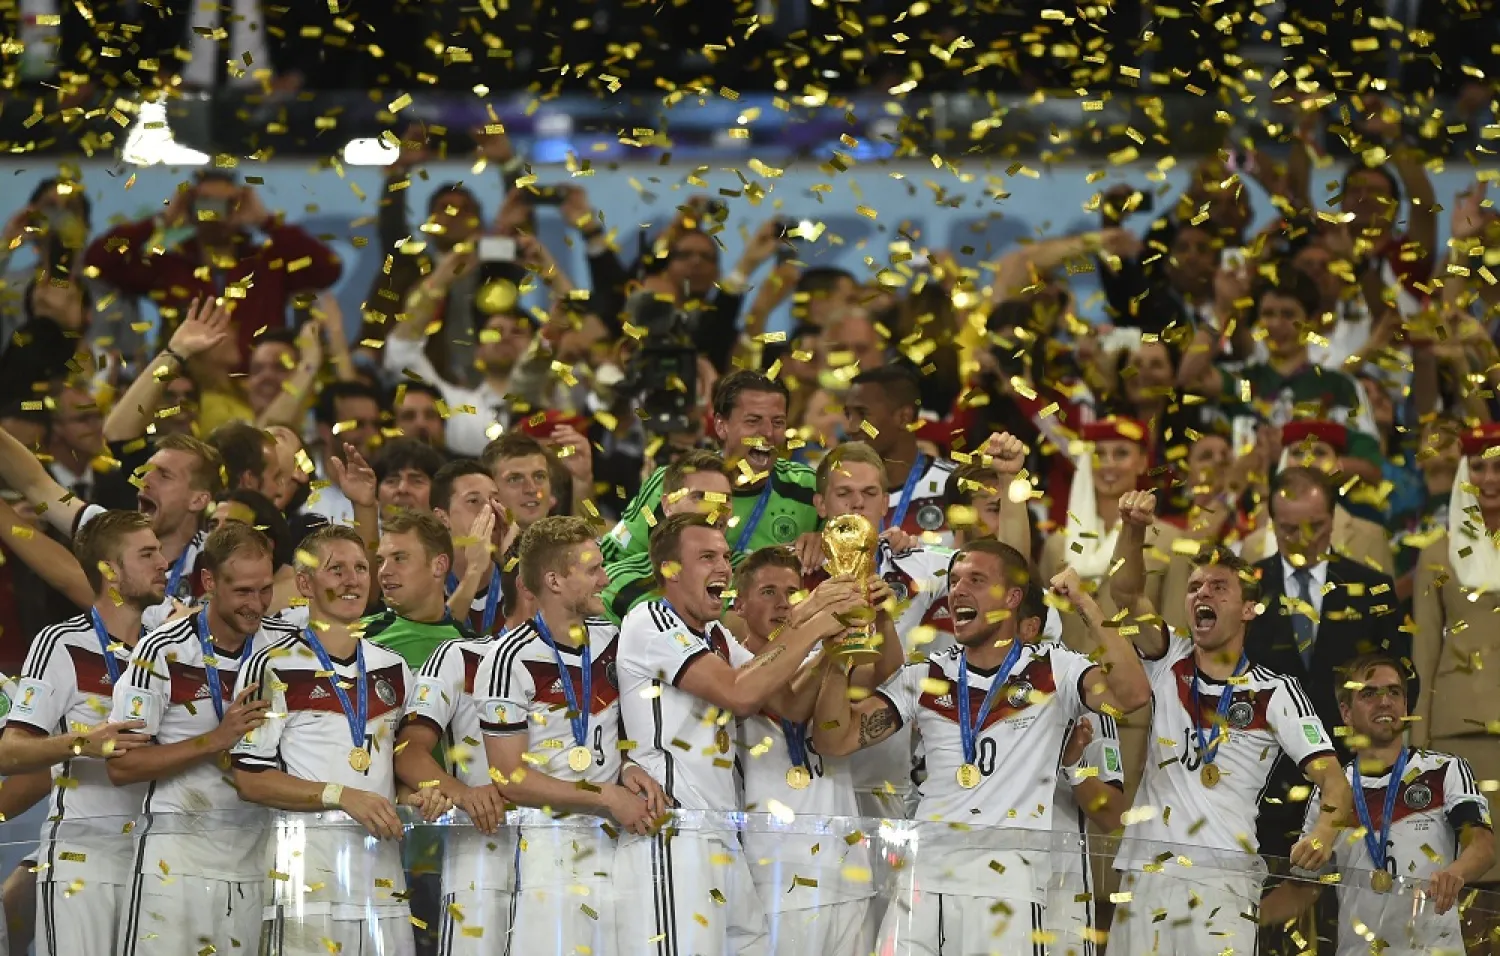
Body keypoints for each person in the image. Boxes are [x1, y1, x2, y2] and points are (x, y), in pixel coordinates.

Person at [810, 546, 1150, 954]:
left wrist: (1084, 603)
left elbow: (1132, 694)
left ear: (1011, 598)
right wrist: (836, 658)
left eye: (976, 580)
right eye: (954, 581)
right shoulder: (927, 674)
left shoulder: (1056, 668)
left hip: (1009, 887)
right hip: (924, 879)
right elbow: (834, 738)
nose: (957, 590)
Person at [1107, 490, 1352, 956]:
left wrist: (1321, 834)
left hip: (1223, 882)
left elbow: (1334, 783)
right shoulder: (1168, 657)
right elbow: (1124, 592)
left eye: (1220, 587)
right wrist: (1133, 529)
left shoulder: (1276, 692)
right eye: (1196, 586)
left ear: (1248, 609)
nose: (1204, 593)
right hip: (1145, 873)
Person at [613, 512, 865, 956]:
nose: (723, 568)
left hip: (723, 832)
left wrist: (831, 643)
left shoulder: (716, 637)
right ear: (670, 570)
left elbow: (788, 703)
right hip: (674, 832)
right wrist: (815, 623)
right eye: (706, 556)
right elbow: (740, 693)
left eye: (726, 556)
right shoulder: (651, 620)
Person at [230, 525, 428, 956]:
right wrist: (342, 795)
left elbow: (393, 771)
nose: (353, 580)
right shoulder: (273, 665)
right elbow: (249, 779)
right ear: (305, 583)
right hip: (306, 877)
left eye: (360, 568)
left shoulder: (394, 668)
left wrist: (417, 797)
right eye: (336, 569)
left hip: (382, 875)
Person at [475, 516, 664, 956]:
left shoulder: (613, 641)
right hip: (549, 849)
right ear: (555, 580)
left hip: (621, 840)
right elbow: (510, 779)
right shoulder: (507, 659)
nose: (605, 578)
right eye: (594, 570)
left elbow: (622, 730)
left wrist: (630, 766)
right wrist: (604, 794)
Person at [107, 524, 296, 956]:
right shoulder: (161, 650)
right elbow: (120, 766)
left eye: (265, 590)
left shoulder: (287, 649)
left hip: (257, 863)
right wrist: (215, 740)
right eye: (244, 591)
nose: (257, 605)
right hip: (175, 864)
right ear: (209, 582)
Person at [0, 511, 166, 956]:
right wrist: (81, 743)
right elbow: (9, 751)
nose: (163, 562)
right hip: (83, 860)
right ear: (110, 571)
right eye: (147, 554)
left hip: (157, 859)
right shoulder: (61, 643)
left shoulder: (168, 652)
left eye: (160, 551)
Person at [1261, 653, 1495, 956]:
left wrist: (1457, 872)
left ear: (1406, 706)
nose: (1385, 702)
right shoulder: (1332, 791)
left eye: (1394, 692)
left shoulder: (1444, 770)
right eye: (1369, 693)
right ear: (1346, 713)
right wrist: (1247, 918)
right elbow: (1305, 888)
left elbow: (1484, 846)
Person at [731, 545, 878, 956]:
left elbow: (883, 673)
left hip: (846, 871)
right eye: (768, 593)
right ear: (738, 604)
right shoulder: (730, 665)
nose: (783, 604)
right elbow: (784, 697)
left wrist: (871, 615)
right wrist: (814, 625)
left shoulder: (822, 657)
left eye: (792, 593)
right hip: (773, 875)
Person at [389, 516, 511, 956]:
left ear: (439, 565)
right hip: (400, 846)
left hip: (473, 842)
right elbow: (398, 747)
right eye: (381, 559)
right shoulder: (367, 643)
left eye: (399, 558)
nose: (385, 571)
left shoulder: (467, 641)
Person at [83, 171, 342, 364]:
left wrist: (266, 222)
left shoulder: (268, 264)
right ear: (191, 207)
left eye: (225, 204)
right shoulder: (169, 265)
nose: (214, 214)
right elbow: (97, 262)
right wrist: (161, 220)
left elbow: (328, 269)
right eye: (205, 202)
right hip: (185, 388)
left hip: (256, 382)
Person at [603, 370, 819, 561]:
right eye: (753, 421)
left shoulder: (808, 487)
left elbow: (848, 542)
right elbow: (611, 560)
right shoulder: (674, 483)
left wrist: (824, 541)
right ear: (721, 426)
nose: (768, 433)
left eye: (778, 422)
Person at [1412, 421, 1500, 886]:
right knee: (1460, 873)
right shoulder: (1436, 555)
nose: (1490, 480)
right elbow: (1423, 650)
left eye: (1499, 468)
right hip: (1456, 735)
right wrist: (1418, 747)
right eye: (1480, 469)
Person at [601, 449, 734, 624]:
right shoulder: (618, 585)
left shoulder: (746, 581)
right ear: (668, 505)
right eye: (700, 497)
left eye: (724, 499)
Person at [843, 365, 957, 543]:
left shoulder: (953, 484)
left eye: (862, 414)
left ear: (904, 417)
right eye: (848, 415)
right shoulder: (839, 491)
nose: (850, 428)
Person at [431, 460, 512, 635]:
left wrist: (515, 559)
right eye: (473, 500)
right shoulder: (424, 586)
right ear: (442, 518)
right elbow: (432, 642)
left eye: (495, 500)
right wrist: (474, 570)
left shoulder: (520, 582)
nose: (489, 509)